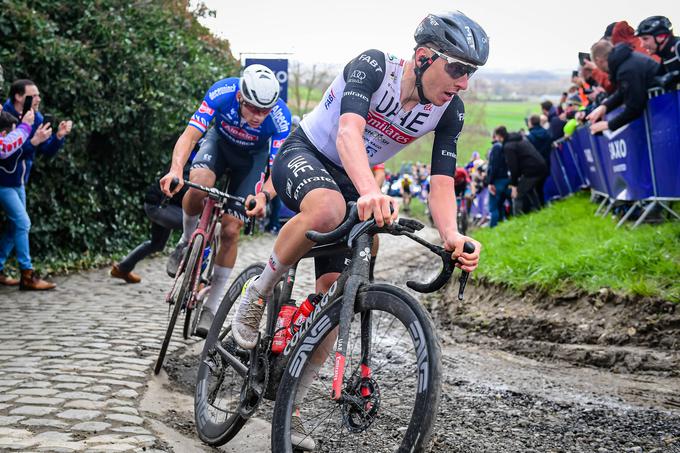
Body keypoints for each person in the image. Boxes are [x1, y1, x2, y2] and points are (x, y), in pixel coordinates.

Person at [232, 11, 487, 449]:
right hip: (308, 152)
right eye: (459, 69)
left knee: (337, 302)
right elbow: (350, 132)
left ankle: (287, 408)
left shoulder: (449, 109)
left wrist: (452, 235)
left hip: (354, 179)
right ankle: (258, 292)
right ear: (425, 58)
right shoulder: (374, 67)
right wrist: (370, 191)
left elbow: (442, 181)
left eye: (471, 73)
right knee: (330, 207)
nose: (463, 82)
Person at [160, 64, 291, 337]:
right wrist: (175, 169)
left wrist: (264, 195)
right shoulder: (223, 91)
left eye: (264, 110)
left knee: (231, 228)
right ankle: (186, 241)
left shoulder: (280, 117)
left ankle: (212, 304)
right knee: (198, 187)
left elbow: (277, 166)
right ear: (241, 97)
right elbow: (190, 135)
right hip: (218, 144)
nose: (258, 116)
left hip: (250, 162)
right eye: (253, 108)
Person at [0, 79, 73, 290]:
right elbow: (6, 156)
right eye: (33, 96)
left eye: (38, 95)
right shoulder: (5, 117)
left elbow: (45, 151)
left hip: (19, 181)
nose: (38, 99)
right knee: (23, 223)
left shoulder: (36, 117)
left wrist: (58, 137)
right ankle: (27, 274)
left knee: (16, 226)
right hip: (4, 181)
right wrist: (32, 141)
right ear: (19, 97)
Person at [110, 154, 195, 284]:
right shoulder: (187, 166)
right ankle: (196, 281)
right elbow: (186, 193)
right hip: (160, 207)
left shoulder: (187, 162)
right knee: (199, 227)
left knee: (157, 244)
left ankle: (122, 269)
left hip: (162, 205)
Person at [587, 40, 659, 134]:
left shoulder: (625, 70)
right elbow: (624, 91)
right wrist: (604, 107)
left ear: (598, 60)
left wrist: (607, 125)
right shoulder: (625, 60)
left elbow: (634, 107)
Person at [494, 125, 548, 215]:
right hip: (539, 166)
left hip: (532, 169)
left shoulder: (509, 147)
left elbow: (514, 167)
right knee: (529, 189)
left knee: (518, 194)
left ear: (499, 136)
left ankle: (517, 218)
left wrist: (514, 185)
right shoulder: (518, 139)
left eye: (496, 136)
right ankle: (539, 211)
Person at [636, 15, 680, 87]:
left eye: (645, 39)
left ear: (661, 36)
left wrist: (676, 75)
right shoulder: (665, 55)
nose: (642, 45)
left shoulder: (678, 46)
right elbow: (656, 78)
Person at [486, 135, 510, 228]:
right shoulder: (504, 146)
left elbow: (493, 166)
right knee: (501, 204)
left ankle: (493, 227)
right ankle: (501, 225)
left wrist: (490, 182)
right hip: (506, 179)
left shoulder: (496, 147)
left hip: (497, 180)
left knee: (493, 206)